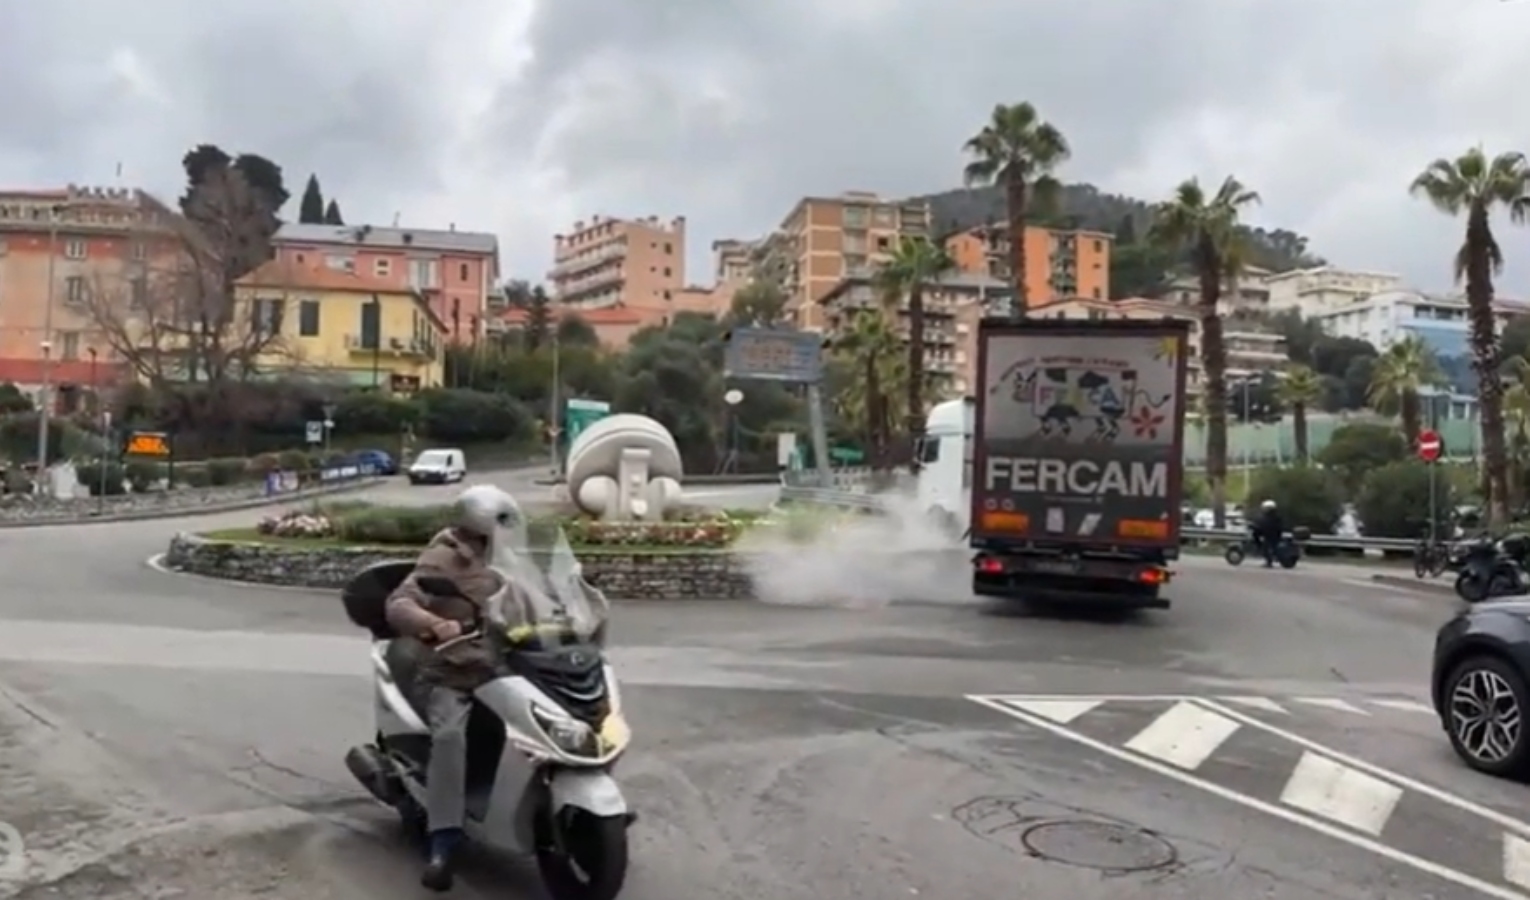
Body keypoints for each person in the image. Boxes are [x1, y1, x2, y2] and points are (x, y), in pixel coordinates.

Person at [385, 484, 521, 892]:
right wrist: (433, 624)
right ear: (478, 526)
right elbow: (400, 601)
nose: (504, 534)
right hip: (451, 671)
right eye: (499, 526)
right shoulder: (443, 558)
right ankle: (442, 841)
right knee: (449, 736)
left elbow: (539, 595)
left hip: (503, 667)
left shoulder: (510, 559)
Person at [1253, 499, 1286, 568]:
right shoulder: (1271, 516)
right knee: (1267, 545)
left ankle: (1269, 561)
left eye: (1266, 508)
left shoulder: (1273, 517)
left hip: (1272, 535)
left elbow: (1269, 525)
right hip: (1271, 534)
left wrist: (1259, 527)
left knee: (1266, 546)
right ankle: (1269, 558)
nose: (1264, 510)